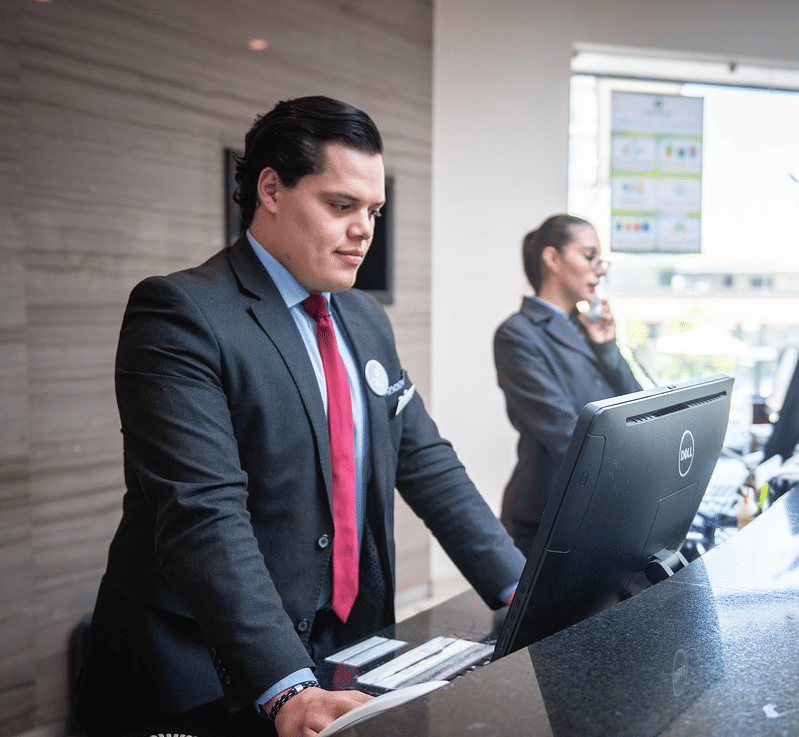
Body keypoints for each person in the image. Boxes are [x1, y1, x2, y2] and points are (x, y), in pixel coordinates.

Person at [75, 95, 525, 737]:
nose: (365, 229)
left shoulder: (363, 317)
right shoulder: (181, 314)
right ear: (271, 190)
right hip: (204, 666)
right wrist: (287, 686)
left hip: (338, 646)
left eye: (372, 211)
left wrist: (518, 587)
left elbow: (424, 460)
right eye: (340, 206)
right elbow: (203, 513)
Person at [494, 214, 642, 555]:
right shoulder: (518, 334)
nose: (599, 269)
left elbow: (637, 404)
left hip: (598, 509)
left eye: (600, 261)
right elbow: (564, 433)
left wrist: (607, 349)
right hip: (550, 515)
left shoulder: (586, 328)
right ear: (552, 259)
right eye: (589, 256)